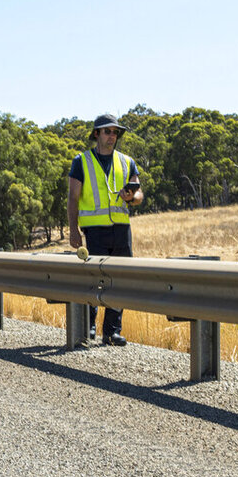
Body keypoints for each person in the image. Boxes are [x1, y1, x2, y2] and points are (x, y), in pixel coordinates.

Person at [67, 113, 143, 347]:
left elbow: (139, 195)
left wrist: (132, 197)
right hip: (95, 230)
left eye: (115, 132)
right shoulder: (82, 161)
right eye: (108, 131)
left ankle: (112, 331)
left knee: (119, 279)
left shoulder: (126, 161)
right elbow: (73, 198)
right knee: (95, 278)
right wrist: (73, 230)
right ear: (97, 134)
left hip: (121, 229)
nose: (113, 136)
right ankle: (88, 326)